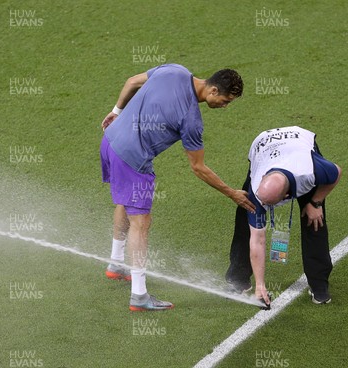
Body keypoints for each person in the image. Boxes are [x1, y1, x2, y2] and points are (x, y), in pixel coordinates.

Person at [100, 64, 255, 311]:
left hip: (110, 140)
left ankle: (116, 263)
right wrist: (232, 193)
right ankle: (139, 296)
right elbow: (199, 168)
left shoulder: (174, 70)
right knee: (141, 224)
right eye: (225, 101)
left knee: (124, 201)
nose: (225, 107)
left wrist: (116, 111)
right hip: (132, 158)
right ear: (213, 90)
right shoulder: (191, 119)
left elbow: (131, 81)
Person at [225, 126, 341, 306]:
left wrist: (316, 202)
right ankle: (238, 276)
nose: (264, 207)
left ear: (287, 197)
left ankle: (319, 286)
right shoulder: (257, 191)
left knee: (314, 220)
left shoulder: (311, 171)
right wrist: (260, 285)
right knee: (244, 215)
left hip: (298, 143)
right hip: (264, 146)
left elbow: (336, 173)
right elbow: (258, 239)